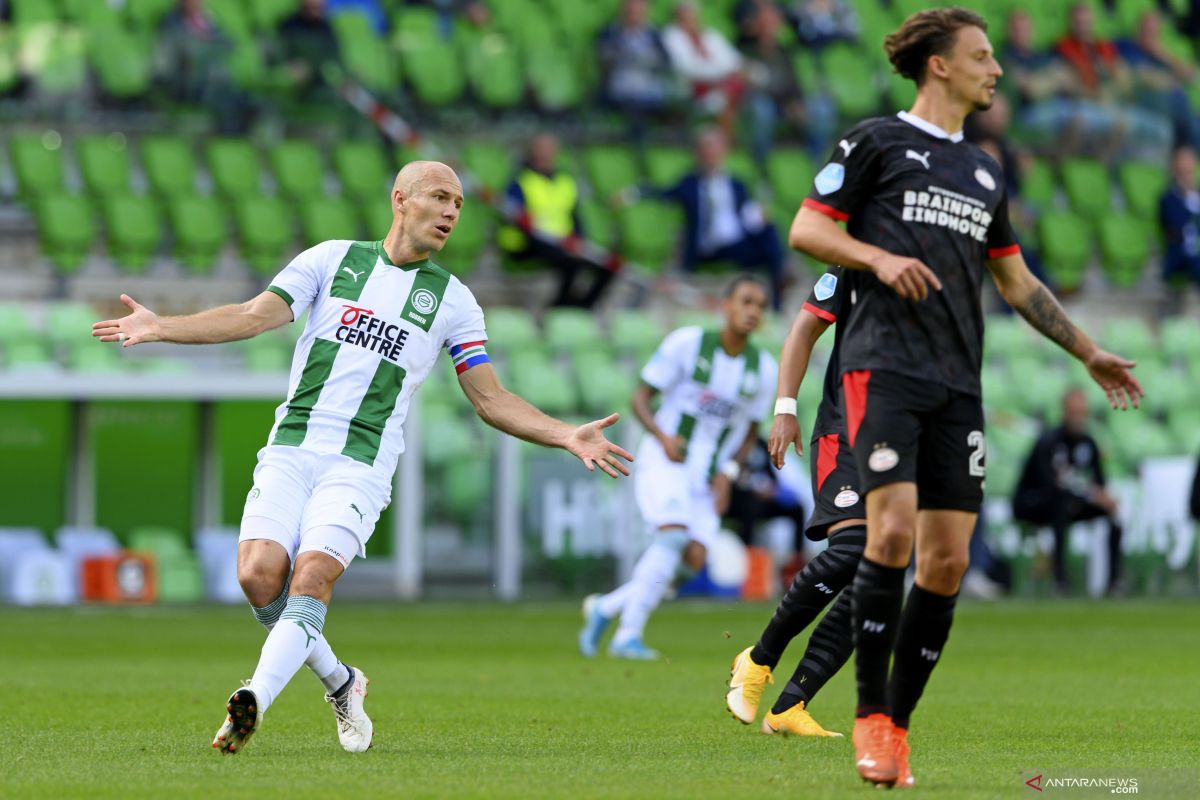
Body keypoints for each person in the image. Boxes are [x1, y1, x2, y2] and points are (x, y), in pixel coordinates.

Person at [92, 161, 634, 755]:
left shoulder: (454, 301)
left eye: (459, 202)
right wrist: (160, 326)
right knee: (256, 575)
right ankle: (342, 682)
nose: (453, 211)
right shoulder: (330, 259)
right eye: (440, 196)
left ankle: (253, 700)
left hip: (360, 464)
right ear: (401, 199)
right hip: (292, 446)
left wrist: (565, 435)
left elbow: (490, 397)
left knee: (312, 577)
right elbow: (253, 316)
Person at [788, 8, 1142, 787]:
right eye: (983, 57)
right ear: (939, 65)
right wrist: (877, 258)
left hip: (958, 381)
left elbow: (1015, 282)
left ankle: (897, 725)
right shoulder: (875, 142)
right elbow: (808, 230)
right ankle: (867, 718)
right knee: (890, 537)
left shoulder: (984, 171)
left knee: (944, 562)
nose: (999, 70)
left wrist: (1087, 352)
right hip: (881, 368)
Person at [578, 275, 777, 660]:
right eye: (746, 301)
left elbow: (751, 429)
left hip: (709, 473)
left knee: (691, 563)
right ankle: (627, 637)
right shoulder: (687, 344)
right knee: (672, 538)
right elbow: (640, 398)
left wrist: (729, 474)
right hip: (664, 458)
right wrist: (663, 436)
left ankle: (606, 608)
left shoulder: (763, 369)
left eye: (760, 306)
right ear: (726, 305)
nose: (752, 311)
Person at [725, 265, 867, 738]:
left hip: (903, 440)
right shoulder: (858, 261)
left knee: (881, 576)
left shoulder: (938, 275)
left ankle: (790, 705)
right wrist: (785, 408)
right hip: (845, 432)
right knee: (853, 551)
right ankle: (759, 659)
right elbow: (805, 327)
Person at [650, 127, 787, 308]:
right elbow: (663, 194)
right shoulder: (690, 183)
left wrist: (758, 216)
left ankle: (777, 299)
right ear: (698, 152)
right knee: (772, 249)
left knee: (770, 232)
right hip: (709, 246)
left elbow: (745, 214)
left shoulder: (736, 183)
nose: (712, 154)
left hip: (737, 240)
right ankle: (782, 280)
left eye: (716, 148)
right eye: (708, 148)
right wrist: (632, 194)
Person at [1012, 388, 1123, 595]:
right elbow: (1049, 486)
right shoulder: (1048, 442)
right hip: (1034, 503)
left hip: (1071, 502)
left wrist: (1104, 498)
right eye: (1073, 412)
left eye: (1082, 413)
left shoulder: (1088, 443)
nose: (1077, 418)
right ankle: (1060, 581)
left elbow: (1100, 483)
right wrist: (1089, 494)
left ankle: (1114, 581)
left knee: (1112, 513)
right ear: (1063, 411)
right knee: (1060, 507)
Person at [499, 133, 617, 308]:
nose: (545, 153)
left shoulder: (566, 180)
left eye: (549, 148)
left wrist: (578, 240)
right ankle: (558, 309)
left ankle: (581, 309)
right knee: (571, 263)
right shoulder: (520, 180)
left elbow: (575, 216)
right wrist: (559, 244)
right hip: (527, 243)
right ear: (532, 151)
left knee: (607, 266)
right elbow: (516, 218)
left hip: (561, 241)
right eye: (541, 148)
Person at [661, 1, 745, 141]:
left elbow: (734, 60)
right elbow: (684, 67)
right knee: (727, 96)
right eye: (685, 15)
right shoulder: (670, 36)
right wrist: (722, 73)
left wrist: (728, 72)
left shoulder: (709, 35)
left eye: (692, 14)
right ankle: (725, 142)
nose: (689, 19)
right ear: (676, 16)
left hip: (722, 83)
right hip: (690, 87)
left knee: (743, 89)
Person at [595, 0, 676, 130]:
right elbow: (603, 59)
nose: (633, 16)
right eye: (630, 12)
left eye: (637, 12)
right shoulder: (610, 33)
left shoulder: (655, 34)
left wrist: (646, 60)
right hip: (620, 85)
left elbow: (667, 61)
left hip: (649, 85)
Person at [276, 0, 340, 105]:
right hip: (301, 80)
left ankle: (374, 117)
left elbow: (335, 57)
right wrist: (290, 65)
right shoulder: (289, 26)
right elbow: (281, 53)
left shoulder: (327, 28)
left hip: (324, 78)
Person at [1159, 145, 1200, 290]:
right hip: (1181, 253)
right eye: (1183, 160)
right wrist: (1187, 195)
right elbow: (1176, 225)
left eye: (1190, 160)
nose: (1187, 165)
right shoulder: (1168, 198)